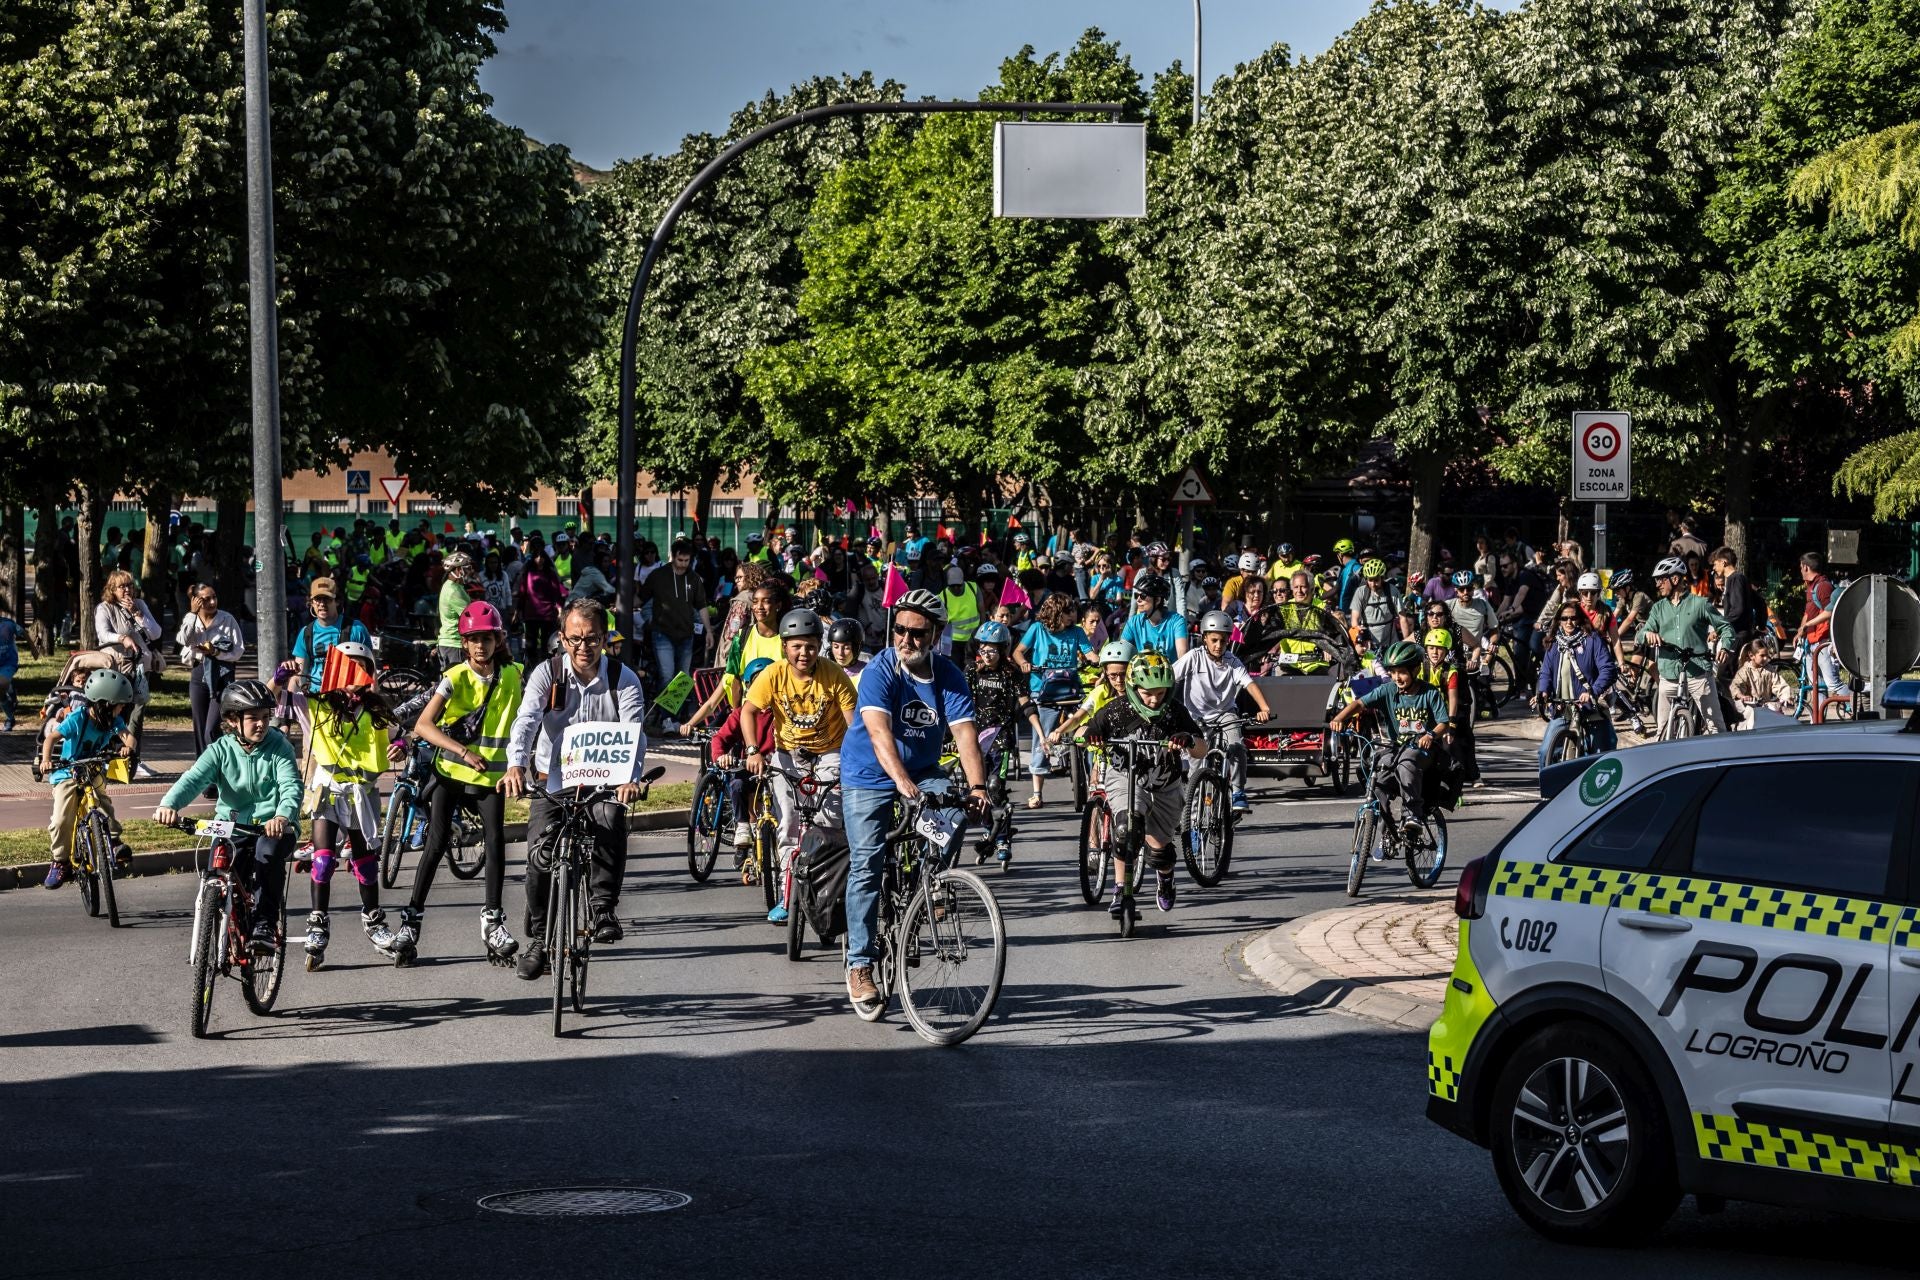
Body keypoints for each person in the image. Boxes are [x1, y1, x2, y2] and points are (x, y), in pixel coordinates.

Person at [836, 588, 989, 1021]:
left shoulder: (949, 675)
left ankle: (928, 886)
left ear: (936, 635)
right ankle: (859, 964)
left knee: (954, 814)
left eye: (917, 633)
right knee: (867, 863)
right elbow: (879, 733)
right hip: (869, 773)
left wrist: (978, 788)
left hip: (922, 771)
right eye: (900, 629)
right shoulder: (880, 670)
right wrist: (903, 784)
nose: (906, 639)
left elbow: (964, 735)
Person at [503, 598, 648, 978]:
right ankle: (540, 938)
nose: (584, 647)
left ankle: (603, 909)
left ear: (605, 638)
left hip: (604, 779)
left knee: (610, 819)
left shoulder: (623, 679)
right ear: (562, 638)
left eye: (593, 639)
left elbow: (634, 734)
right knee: (539, 853)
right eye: (575, 639)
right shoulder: (547, 673)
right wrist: (516, 764)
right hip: (554, 779)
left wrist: (630, 778)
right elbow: (526, 720)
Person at [397, 601, 523, 967]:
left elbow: (527, 719)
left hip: (491, 777)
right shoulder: (455, 677)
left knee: (495, 842)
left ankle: (493, 921)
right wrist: (462, 752)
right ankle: (411, 921)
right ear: (464, 643)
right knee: (435, 844)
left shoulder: (514, 675)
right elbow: (423, 725)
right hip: (451, 773)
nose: (480, 646)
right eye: (473, 640)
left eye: (487, 639)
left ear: (498, 640)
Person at [154, 680, 302, 951]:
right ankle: (219, 928)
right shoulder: (220, 750)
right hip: (231, 827)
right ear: (233, 720)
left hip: (272, 827)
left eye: (265, 717)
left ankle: (265, 924)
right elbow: (193, 779)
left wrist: (282, 816)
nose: (261, 724)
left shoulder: (279, 746)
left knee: (266, 855)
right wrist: (169, 805)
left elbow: (291, 786)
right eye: (253, 718)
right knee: (217, 870)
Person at [741, 608, 856, 924]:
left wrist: (859, 759)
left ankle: (825, 891)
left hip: (830, 753)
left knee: (828, 821)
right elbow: (748, 711)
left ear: (819, 646)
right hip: (789, 755)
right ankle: (787, 893)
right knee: (789, 825)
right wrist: (753, 751)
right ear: (784, 647)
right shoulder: (773, 674)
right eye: (796, 646)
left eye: (810, 646)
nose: (804, 653)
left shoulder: (834, 675)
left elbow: (854, 723)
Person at [296, 640, 402, 966]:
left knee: (365, 862)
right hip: (328, 789)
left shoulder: (376, 709)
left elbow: (399, 733)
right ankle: (317, 924)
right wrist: (282, 676)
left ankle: (374, 920)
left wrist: (401, 745)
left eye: (362, 668)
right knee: (323, 860)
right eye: (349, 667)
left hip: (361, 792)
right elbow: (281, 701)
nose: (355, 675)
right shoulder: (320, 705)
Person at [1084, 652, 1208, 921]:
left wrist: (1187, 739)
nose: (1154, 700)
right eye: (1147, 694)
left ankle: (1166, 877)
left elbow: (1202, 749)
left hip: (1165, 784)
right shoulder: (1116, 710)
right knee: (1125, 829)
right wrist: (1091, 735)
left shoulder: (1175, 711)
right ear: (1133, 688)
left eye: (1160, 693)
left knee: (1159, 853)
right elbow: (1089, 730)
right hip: (1126, 777)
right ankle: (1120, 890)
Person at [1329, 640, 1452, 835]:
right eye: (1393, 672)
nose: (1396, 677)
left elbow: (1444, 723)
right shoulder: (1388, 690)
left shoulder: (1430, 693)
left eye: (1402, 672)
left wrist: (1430, 735)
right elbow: (1359, 704)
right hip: (1396, 747)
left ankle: (1412, 813)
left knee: (1406, 763)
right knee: (1375, 769)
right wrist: (1339, 718)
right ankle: (1384, 819)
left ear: (1415, 670)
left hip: (1423, 751)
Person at [39, 669, 136, 888]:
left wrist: (127, 748)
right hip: (68, 772)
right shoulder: (78, 718)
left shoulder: (113, 720)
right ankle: (60, 861)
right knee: (61, 819)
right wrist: (46, 760)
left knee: (103, 801)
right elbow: (51, 738)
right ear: (105, 704)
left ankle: (114, 842)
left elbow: (129, 737)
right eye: (120, 705)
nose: (122, 709)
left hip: (93, 770)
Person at [965, 619, 1048, 866]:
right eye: (983, 648)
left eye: (992, 649)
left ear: (1002, 649)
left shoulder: (1010, 673)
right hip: (975, 737)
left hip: (1000, 736)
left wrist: (1041, 735)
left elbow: (1026, 705)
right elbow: (958, 704)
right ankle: (989, 829)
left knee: (995, 787)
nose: (986, 654)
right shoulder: (971, 672)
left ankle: (1002, 838)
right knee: (978, 789)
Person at [1173, 611, 1272, 814]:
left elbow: (1249, 684)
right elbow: (1170, 678)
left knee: (1236, 746)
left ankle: (1238, 792)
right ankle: (1192, 814)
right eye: (1214, 640)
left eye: (1223, 641)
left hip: (1225, 713)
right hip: (1196, 718)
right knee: (1195, 768)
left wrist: (1264, 708)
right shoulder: (1194, 657)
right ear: (1205, 639)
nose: (1219, 645)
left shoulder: (1232, 662)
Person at [1014, 592, 1095, 809]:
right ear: (1057, 613)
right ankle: (1037, 793)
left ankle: (1094, 782)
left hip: (1071, 690)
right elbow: (1018, 652)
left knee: (1089, 729)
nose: (1073, 617)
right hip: (1043, 691)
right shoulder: (1037, 629)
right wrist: (1023, 663)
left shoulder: (1077, 631)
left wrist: (1100, 662)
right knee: (1041, 739)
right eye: (1069, 612)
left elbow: (1090, 654)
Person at [1638, 556, 1732, 736]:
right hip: (1669, 674)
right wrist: (1647, 634)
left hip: (1698, 674)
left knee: (1716, 728)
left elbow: (1726, 627)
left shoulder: (1700, 604)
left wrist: (1725, 647)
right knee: (1662, 731)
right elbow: (1641, 635)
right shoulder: (1658, 608)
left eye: (1660, 580)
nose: (1657, 585)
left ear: (1675, 579)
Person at [1532, 605, 1618, 770]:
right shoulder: (1554, 643)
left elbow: (1608, 669)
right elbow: (1545, 672)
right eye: (1564, 618)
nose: (1569, 622)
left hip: (1590, 708)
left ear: (1580, 620)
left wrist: (1592, 691)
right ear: (1559, 621)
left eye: (1573, 618)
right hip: (1563, 709)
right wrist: (1543, 692)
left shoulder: (1592, 640)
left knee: (1602, 755)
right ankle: (1550, 786)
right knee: (1545, 753)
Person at [175, 584, 246, 756]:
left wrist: (216, 652)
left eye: (214, 597)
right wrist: (192, 614)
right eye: (206, 599)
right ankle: (203, 767)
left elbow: (238, 651)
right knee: (200, 728)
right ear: (196, 601)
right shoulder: (191, 619)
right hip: (199, 672)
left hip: (221, 675)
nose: (212, 602)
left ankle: (218, 765)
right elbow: (183, 640)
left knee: (212, 730)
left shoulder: (227, 619)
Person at [1793, 551, 1852, 713]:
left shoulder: (1824, 586)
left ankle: (1858, 706)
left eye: (1801, 567)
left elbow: (1830, 612)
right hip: (1811, 642)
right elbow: (1808, 613)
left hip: (1822, 642)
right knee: (1816, 685)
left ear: (1806, 567)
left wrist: (1808, 625)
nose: (1800, 570)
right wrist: (1800, 631)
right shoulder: (1810, 586)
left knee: (1833, 683)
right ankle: (1819, 720)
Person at [648, 538, 712, 684]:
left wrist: (708, 630)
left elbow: (702, 606)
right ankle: (663, 700)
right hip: (663, 633)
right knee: (667, 675)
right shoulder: (658, 575)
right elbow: (641, 598)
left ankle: (676, 701)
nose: (683, 564)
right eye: (680, 560)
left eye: (686, 560)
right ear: (672, 557)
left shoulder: (694, 578)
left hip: (686, 635)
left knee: (682, 677)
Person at [1119, 573, 1190, 661]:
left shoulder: (1177, 621)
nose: (1138, 600)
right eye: (1136, 595)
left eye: (1143, 596)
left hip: (1172, 669)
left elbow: (1183, 656)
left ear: (1157, 600)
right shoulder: (1133, 623)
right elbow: (1121, 653)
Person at [1730, 638, 1793, 727]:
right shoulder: (1745, 671)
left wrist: (1786, 696)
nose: (1765, 658)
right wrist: (1741, 695)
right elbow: (1736, 685)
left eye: (1767, 655)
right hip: (1749, 711)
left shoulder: (1769, 670)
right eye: (1762, 655)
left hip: (1765, 711)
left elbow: (1779, 684)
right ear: (1751, 655)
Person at [0, 599, 39, 731]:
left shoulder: (8, 624)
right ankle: (10, 717)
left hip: (8, 662)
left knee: (1, 684)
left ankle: (9, 690)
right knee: (1, 691)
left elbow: (23, 633)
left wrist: (33, 649)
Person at [1346, 558, 1399, 652]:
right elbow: (1354, 620)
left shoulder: (1392, 590)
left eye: (1376, 580)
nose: (1373, 584)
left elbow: (1403, 618)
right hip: (1369, 643)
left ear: (1382, 578)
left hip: (1390, 644)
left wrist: (1405, 642)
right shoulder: (1361, 592)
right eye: (1370, 580)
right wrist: (1362, 639)